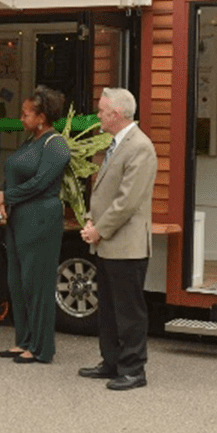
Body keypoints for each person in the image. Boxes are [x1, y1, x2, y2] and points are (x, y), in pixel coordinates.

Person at [79, 87, 157, 391]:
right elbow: (104, 192)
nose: (98, 115)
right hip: (109, 243)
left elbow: (128, 201)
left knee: (129, 310)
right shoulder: (116, 144)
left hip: (127, 245)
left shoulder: (140, 147)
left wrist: (99, 229)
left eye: (101, 110)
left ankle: (134, 369)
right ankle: (111, 362)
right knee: (109, 308)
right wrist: (90, 217)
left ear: (116, 114)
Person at [0, 86, 70, 364]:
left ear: (42, 117)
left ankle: (41, 346)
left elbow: (40, 183)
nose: (21, 118)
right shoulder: (29, 142)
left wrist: (7, 196)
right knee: (17, 281)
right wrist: (2, 203)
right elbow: (12, 173)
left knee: (36, 283)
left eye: (26, 114)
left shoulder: (56, 145)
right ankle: (23, 339)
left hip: (41, 219)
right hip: (18, 218)